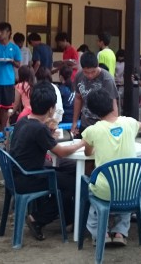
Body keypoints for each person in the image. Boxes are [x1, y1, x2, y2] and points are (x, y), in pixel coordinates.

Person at [9, 81, 85, 241]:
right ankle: (37, 219)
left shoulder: (24, 121)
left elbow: (39, 141)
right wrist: (82, 143)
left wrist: (49, 134)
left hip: (18, 173)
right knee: (72, 183)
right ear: (51, 108)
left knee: (71, 169)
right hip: (29, 177)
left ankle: (69, 218)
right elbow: (61, 152)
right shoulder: (39, 128)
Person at [81, 88, 141, 246]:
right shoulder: (129, 122)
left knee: (91, 188)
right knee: (125, 181)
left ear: (93, 112)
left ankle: (100, 234)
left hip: (106, 191)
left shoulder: (93, 130)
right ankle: (120, 232)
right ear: (112, 104)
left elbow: (87, 152)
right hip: (132, 190)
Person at [71, 52, 118, 138]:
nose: (90, 75)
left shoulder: (107, 79)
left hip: (102, 125)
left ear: (97, 66)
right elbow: (78, 98)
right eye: (86, 72)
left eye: (93, 72)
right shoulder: (79, 76)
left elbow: (113, 104)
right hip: (85, 123)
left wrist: (113, 127)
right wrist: (74, 122)